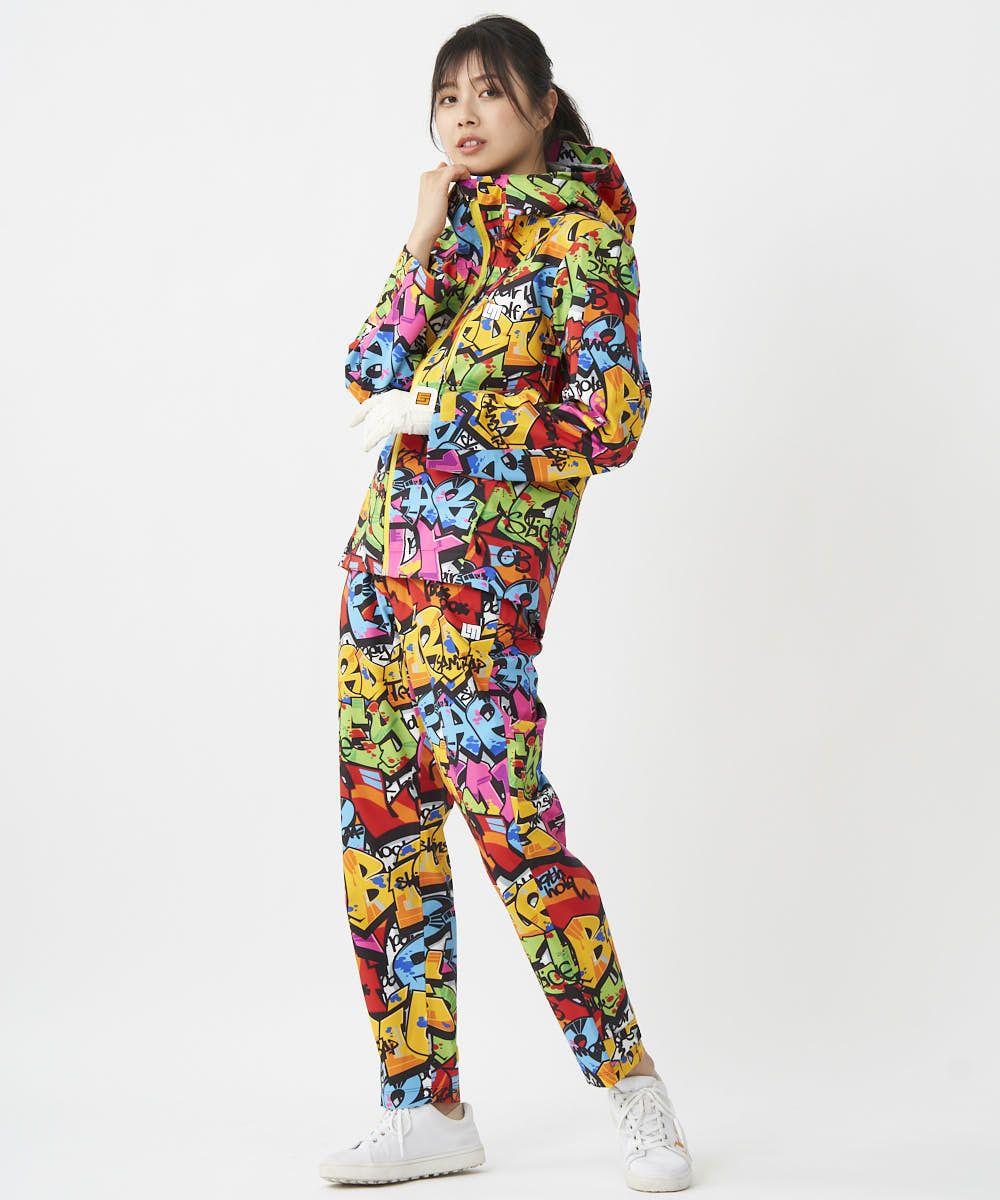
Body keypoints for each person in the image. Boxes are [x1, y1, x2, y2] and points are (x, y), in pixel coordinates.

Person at [321, 15, 693, 1192]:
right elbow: (367, 370)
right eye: (447, 97)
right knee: (384, 839)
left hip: (478, 592)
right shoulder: (457, 238)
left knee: (517, 837)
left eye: (488, 91)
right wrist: (419, 236)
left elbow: (611, 422)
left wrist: (457, 418)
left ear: (541, 102)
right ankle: (424, 1105)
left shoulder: (586, 244)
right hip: (381, 580)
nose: (464, 115)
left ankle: (633, 1085)